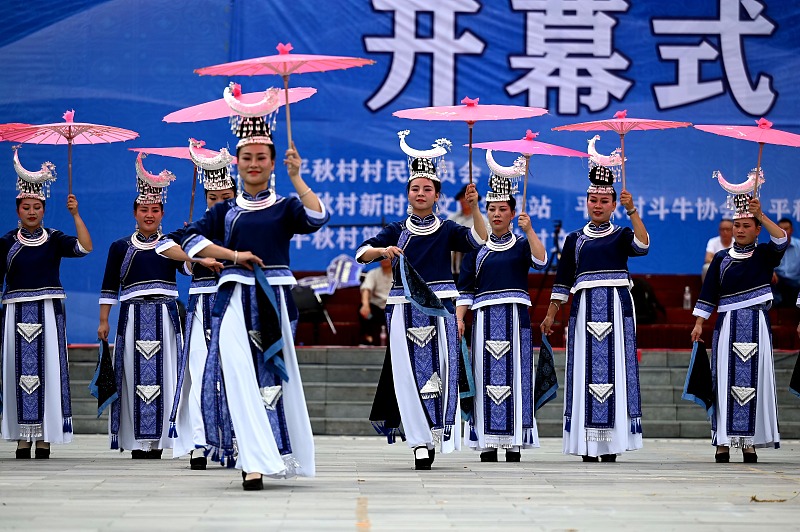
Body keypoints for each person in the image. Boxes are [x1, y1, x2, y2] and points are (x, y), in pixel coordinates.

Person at [177, 92, 328, 490]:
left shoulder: (285, 205)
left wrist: (298, 177)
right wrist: (232, 254)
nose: (254, 164)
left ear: (272, 162)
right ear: (237, 164)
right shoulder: (224, 211)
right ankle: (251, 459)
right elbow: (188, 241)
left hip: (274, 301)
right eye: (247, 158)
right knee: (239, 376)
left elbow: (317, 217)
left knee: (272, 378)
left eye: (262, 158)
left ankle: (273, 451)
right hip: (232, 301)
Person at [356, 130, 488, 470]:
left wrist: (474, 209)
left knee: (443, 369)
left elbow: (481, 240)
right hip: (401, 308)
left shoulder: (447, 229)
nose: (420, 193)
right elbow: (361, 253)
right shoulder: (396, 229)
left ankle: (437, 431)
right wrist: (382, 250)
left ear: (437, 195)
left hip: (441, 306)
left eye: (427, 188)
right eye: (415, 188)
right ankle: (418, 440)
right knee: (406, 372)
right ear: (408, 193)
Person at [540, 163, 649, 462]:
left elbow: (643, 246)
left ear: (614, 204)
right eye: (593, 200)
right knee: (583, 372)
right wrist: (551, 313)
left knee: (616, 371)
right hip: (584, 309)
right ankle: (587, 443)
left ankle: (612, 444)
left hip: (617, 308)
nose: (598, 206)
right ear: (586, 202)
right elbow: (562, 281)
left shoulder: (622, 233)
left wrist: (632, 211)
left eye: (604, 201)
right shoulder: (575, 239)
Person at [456, 150, 547, 462]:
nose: (496, 214)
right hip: (483, 320)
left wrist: (530, 230)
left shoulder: (522, 244)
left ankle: (514, 441)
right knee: (484, 377)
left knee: (517, 377)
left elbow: (541, 260)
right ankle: (486, 441)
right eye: (491, 209)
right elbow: (465, 290)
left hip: (515, 319)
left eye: (502, 209)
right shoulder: (477, 250)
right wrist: (459, 319)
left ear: (512, 213)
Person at [1, 147, 92, 459]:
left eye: (37, 206)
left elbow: (85, 248)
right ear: (18, 210)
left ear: (43, 210)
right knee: (16, 375)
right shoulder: (7, 243)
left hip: (49, 313)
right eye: (26, 206)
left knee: (50, 372)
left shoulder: (55, 239)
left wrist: (76, 214)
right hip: (14, 314)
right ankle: (21, 439)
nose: (31, 211)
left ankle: (44, 438)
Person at [98, 153, 186, 459]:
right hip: (132, 317)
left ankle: (164, 441)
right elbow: (109, 287)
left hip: (166, 316)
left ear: (162, 213)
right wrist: (104, 320)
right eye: (144, 210)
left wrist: (188, 244)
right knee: (132, 376)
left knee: (168, 375)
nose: (149, 215)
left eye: (155, 210)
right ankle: (136, 442)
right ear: (134, 212)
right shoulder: (120, 247)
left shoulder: (171, 244)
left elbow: (189, 271)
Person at [690, 194, 787, 464]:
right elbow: (709, 292)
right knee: (723, 383)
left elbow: (781, 239)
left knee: (755, 384)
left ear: (757, 229)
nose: (740, 230)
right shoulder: (721, 258)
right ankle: (722, 442)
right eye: (737, 225)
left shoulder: (765, 255)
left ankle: (748, 443)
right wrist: (699, 322)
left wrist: (762, 213)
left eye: (747, 225)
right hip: (727, 326)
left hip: (757, 325)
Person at [156, 139, 233, 470]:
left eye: (225, 198)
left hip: (236, 303)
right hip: (202, 303)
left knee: (235, 372)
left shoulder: (245, 225)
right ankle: (200, 442)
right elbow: (162, 246)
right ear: (205, 200)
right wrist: (195, 254)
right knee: (200, 372)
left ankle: (236, 440)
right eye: (213, 198)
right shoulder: (195, 230)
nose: (219, 203)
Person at [448, 184, 488, 280]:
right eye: (462, 198)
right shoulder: (452, 218)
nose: (464, 200)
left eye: (466, 197)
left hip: (473, 269)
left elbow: (484, 242)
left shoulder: (482, 220)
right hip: (453, 269)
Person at [358, 257, 392, 346]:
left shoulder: (399, 274)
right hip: (377, 310)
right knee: (365, 312)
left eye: (387, 258)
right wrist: (365, 305)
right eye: (382, 258)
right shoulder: (373, 273)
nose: (384, 260)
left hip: (392, 309)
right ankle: (368, 338)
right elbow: (366, 289)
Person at [771, 218, 800, 307]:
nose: (783, 232)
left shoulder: (799, 246)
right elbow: (766, 264)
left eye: (786, 229)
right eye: (780, 229)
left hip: (796, 281)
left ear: (791, 230)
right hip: (778, 281)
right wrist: (771, 271)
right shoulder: (772, 246)